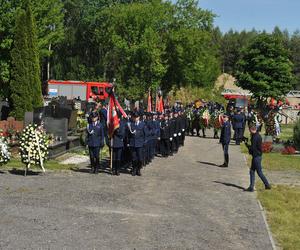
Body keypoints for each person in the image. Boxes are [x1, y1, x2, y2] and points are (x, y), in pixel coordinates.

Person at [245, 126, 271, 192]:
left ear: (251, 130)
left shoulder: (255, 137)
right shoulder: (257, 135)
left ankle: (267, 185)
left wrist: (247, 145)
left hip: (256, 156)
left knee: (259, 172)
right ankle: (251, 187)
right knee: (252, 171)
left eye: (249, 130)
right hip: (257, 156)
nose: (249, 132)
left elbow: (253, 148)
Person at [128, 112, 147, 176]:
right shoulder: (131, 124)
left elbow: (145, 134)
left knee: (140, 158)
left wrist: (144, 142)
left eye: (137, 117)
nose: (135, 118)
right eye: (134, 117)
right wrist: (129, 142)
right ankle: (134, 169)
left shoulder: (143, 124)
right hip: (133, 143)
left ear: (139, 117)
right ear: (133, 118)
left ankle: (138, 169)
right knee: (133, 158)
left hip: (140, 144)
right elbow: (129, 135)